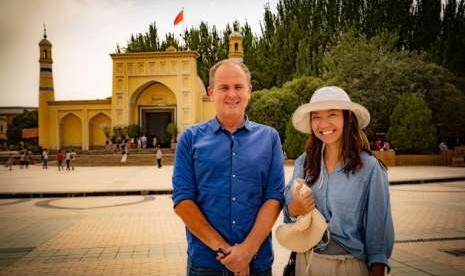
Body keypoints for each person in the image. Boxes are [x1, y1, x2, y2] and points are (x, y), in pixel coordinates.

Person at [172, 59, 285, 276]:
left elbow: (274, 198)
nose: (231, 94)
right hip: (206, 264)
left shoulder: (269, 138)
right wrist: (229, 254)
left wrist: (247, 251)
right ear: (211, 91)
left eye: (238, 87)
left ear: (249, 91)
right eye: (224, 87)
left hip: (257, 263)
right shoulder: (190, 139)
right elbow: (183, 201)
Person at [283, 86, 394, 276]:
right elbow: (288, 215)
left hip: (348, 266)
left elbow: (378, 232)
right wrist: (295, 208)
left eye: (332, 114)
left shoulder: (370, 168)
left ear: (347, 118)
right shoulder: (305, 162)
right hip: (306, 263)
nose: (323, 124)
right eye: (316, 116)